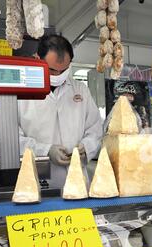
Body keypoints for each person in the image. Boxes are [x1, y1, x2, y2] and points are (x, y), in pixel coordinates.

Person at [18, 35, 103, 188]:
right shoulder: (21, 93)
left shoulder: (80, 90)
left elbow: (95, 128)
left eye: (63, 70)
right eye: (52, 70)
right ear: (37, 58)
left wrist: (87, 147)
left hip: (78, 183)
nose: (58, 75)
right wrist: (45, 150)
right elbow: (9, 138)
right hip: (37, 182)